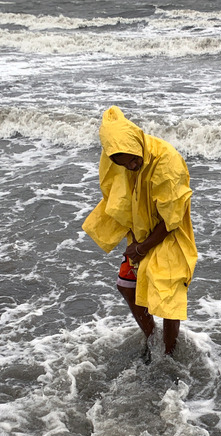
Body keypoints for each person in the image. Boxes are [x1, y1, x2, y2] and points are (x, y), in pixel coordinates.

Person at [82, 106, 198, 356]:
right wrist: (135, 241)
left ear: (137, 143)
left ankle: (169, 353)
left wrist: (142, 248)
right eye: (125, 163)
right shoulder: (117, 158)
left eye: (135, 160)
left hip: (168, 232)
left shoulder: (167, 163)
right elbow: (118, 190)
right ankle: (152, 338)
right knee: (126, 286)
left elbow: (171, 220)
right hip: (140, 230)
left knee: (166, 298)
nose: (132, 165)